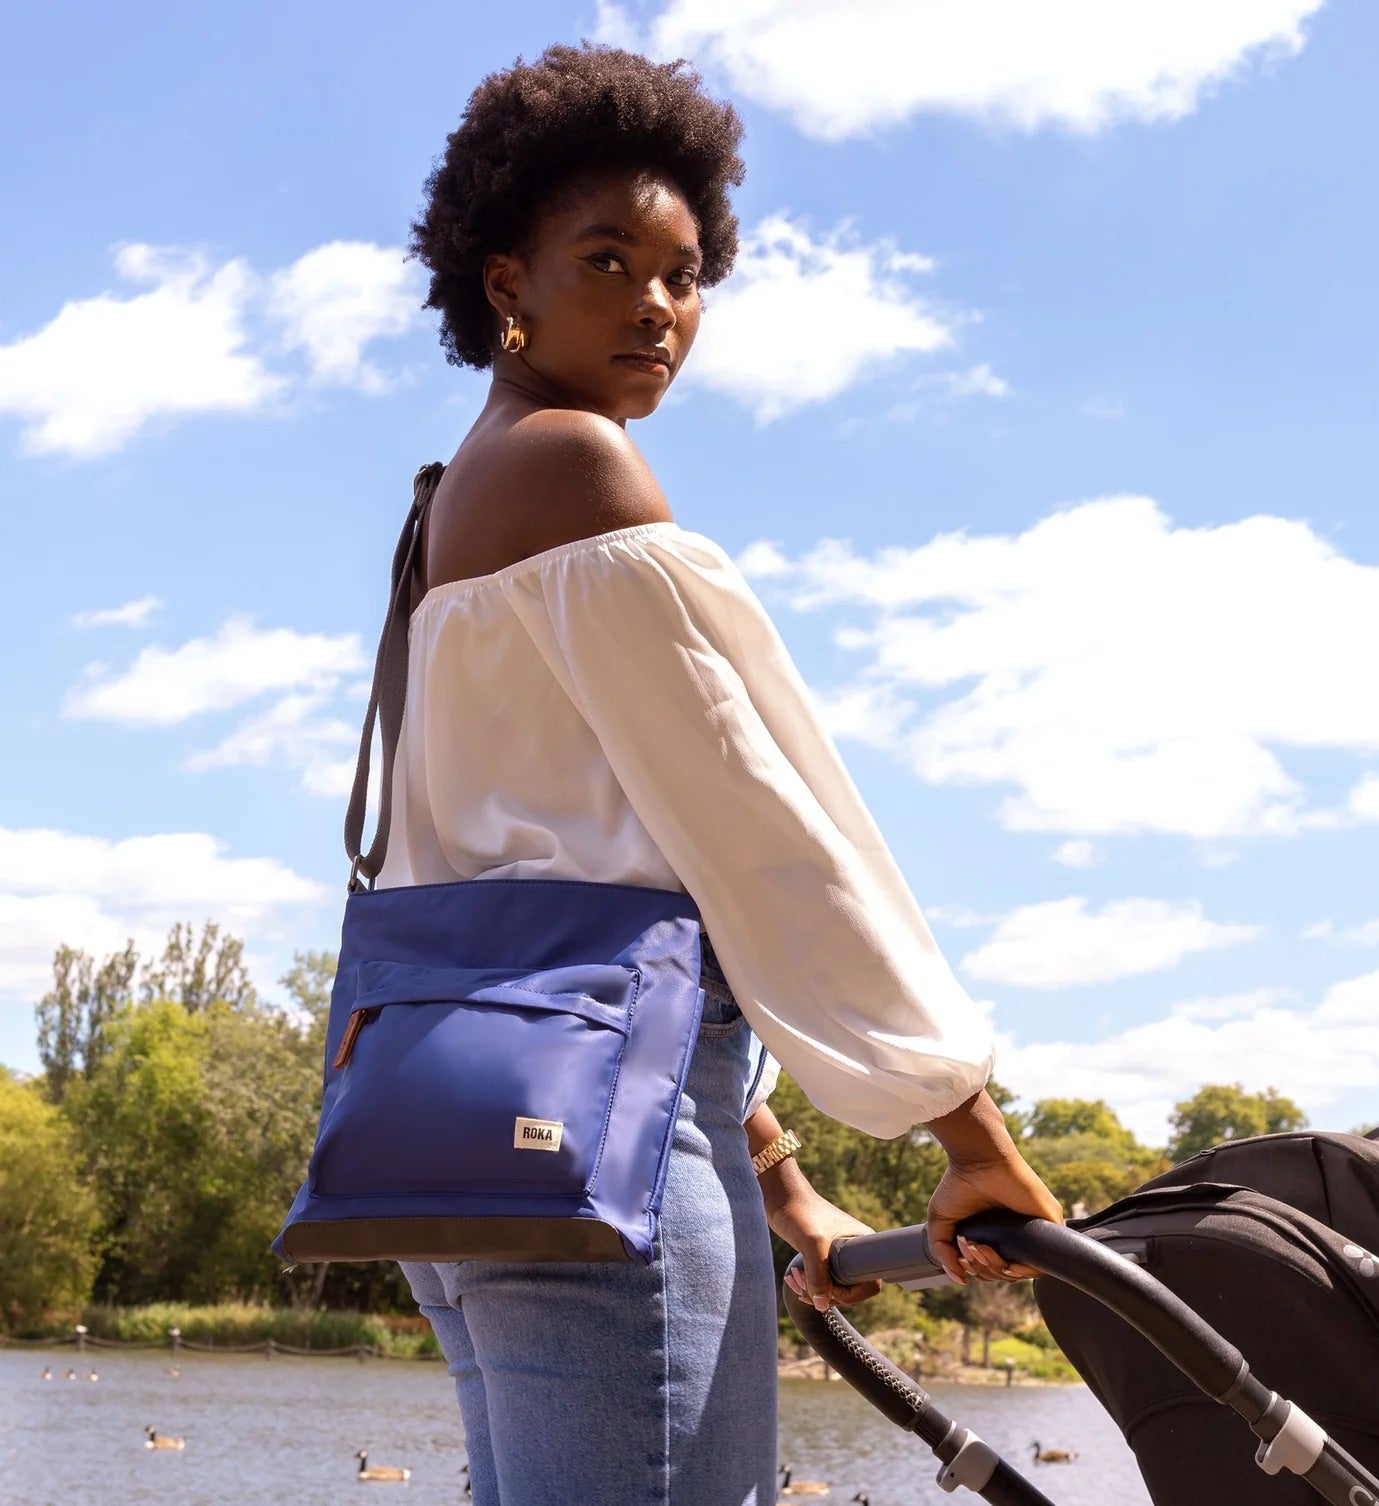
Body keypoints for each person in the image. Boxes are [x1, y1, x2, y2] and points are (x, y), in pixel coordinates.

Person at [384, 41, 1062, 1506]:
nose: (656, 305)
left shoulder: (449, 516)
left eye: (685, 275)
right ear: (507, 281)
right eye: (609, 259)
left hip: (468, 1149)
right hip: (615, 1154)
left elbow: (543, 875)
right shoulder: (580, 473)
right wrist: (968, 1132)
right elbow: (768, 835)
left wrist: (776, 1169)